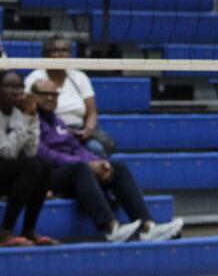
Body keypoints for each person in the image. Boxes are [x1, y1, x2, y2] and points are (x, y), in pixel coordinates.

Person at [32, 79, 184, 243]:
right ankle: (111, 228)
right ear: (33, 96)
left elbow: (77, 148)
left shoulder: (57, 121)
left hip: (74, 171)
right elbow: (44, 153)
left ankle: (147, 227)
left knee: (116, 166)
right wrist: (89, 166)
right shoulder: (30, 120)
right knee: (80, 168)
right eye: (44, 94)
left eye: (53, 94)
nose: (49, 98)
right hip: (47, 177)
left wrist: (100, 163)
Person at [25, 35, 112, 158]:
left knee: (96, 149)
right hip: (48, 131)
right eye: (55, 50)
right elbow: (29, 113)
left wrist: (89, 129)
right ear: (45, 55)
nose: (60, 54)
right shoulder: (35, 79)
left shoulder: (79, 77)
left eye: (64, 50)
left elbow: (92, 112)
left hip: (78, 132)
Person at [0, 70, 57, 247]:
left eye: (19, 87)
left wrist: (31, 117)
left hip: (7, 170)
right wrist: (25, 118)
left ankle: (28, 230)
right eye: (9, 86)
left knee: (43, 166)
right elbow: (7, 152)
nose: (15, 92)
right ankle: (5, 232)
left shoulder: (23, 110)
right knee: (31, 167)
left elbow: (31, 150)